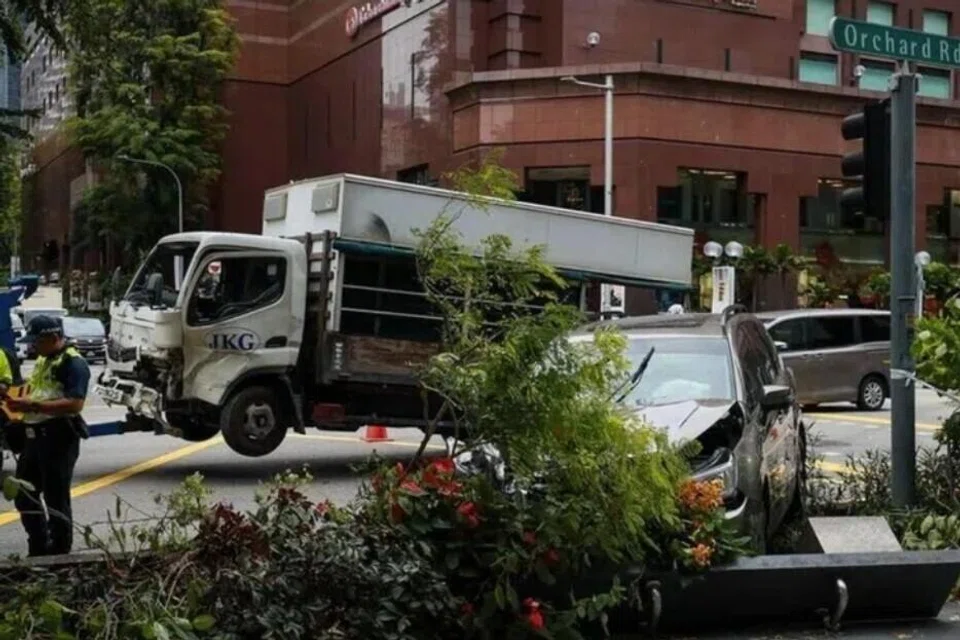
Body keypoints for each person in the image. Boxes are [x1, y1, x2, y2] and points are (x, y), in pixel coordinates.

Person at [6, 315, 90, 556]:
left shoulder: (74, 363)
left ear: (53, 338)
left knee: (56, 497)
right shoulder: (44, 359)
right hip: (35, 436)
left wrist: (33, 406)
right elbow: (41, 391)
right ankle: (39, 546)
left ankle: (59, 552)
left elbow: (75, 404)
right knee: (24, 494)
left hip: (58, 436)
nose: (33, 347)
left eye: (37, 341)